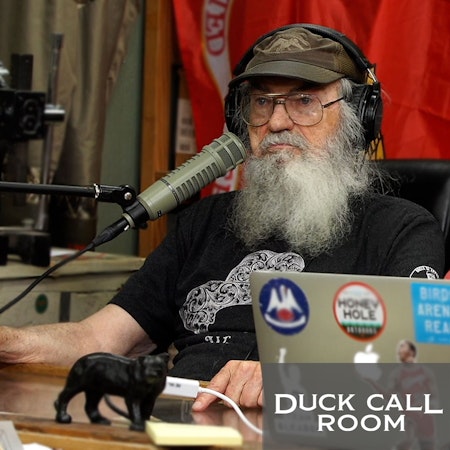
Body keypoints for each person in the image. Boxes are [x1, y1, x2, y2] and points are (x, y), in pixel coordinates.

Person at [0, 25, 445, 413]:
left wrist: (294, 377)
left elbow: (416, 365)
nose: (276, 121)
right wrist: (14, 344)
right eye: (262, 102)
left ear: (358, 117)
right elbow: (95, 341)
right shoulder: (204, 223)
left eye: (304, 101)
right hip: (174, 428)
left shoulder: (401, 229)